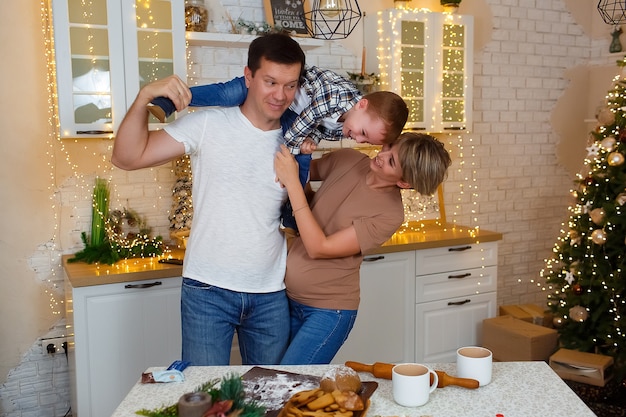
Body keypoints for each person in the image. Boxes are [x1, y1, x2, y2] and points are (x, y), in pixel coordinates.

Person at [111, 33, 306, 366]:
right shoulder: (208, 124)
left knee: (269, 402)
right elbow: (127, 157)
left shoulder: (296, 139)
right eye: (271, 82)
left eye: (290, 85)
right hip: (207, 291)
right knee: (204, 402)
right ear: (248, 77)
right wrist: (145, 96)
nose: (280, 95)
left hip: (271, 292)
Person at [148, 67, 409, 231]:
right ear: (361, 105)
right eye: (362, 132)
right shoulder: (336, 97)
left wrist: (310, 144)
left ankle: (291, 212)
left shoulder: (348, 123)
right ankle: (172, 100)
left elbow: (313, 128)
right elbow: (301, 127)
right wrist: (288, 156)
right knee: (229, 93)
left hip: (289, 110)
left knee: (303, 159)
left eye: (366, 141)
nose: (358, 139)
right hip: (281, 94)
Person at [273, 132, 452, 364]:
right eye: (390, 147)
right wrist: (303, 155)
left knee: (287, 383)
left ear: (404, 182)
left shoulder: (389, 214)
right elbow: (299, 173)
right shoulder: (348, 159)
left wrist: (294, 181)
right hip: (284, 297)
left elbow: (319, 247)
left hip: (328, 312)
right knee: (271, 382)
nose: (382, 155)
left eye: (391, 161)